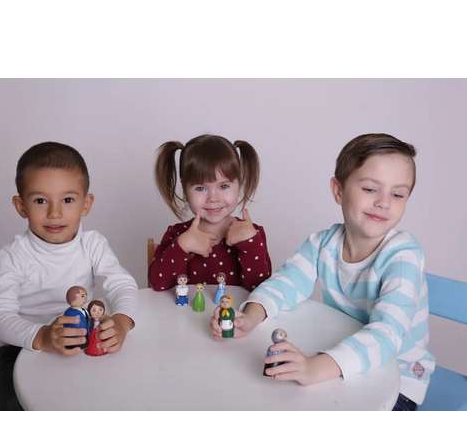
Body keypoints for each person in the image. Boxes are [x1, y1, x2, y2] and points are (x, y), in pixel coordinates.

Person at [211, 133, 435, 411]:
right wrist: (251, 316)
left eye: (398, 194)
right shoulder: (323, 243)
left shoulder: (403, 256)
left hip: (397, 380)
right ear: (338, 191)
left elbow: (387, 334)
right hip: (343, 357)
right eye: (370, 189)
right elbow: (286, 282)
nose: (384, 202)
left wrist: (314, 367)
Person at [0, 141, 137, 410]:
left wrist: (123, 322)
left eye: (67, 200)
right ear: (21, 206)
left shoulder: (93, 244)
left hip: (80, 340)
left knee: (113, 398)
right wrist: (43, 336)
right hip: (21, 348)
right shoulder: (12, 255)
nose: (54, 213)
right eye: (40, 200)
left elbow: (121, 284)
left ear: (85, 204)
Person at [148, 134, 272, 291]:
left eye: (224, 186)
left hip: (234, 309)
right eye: (200, 188)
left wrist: (250, 244)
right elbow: (157, 284)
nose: (213, 198)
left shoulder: (253, 234)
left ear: (239, 185)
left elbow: (263, 293)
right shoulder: (177, 234)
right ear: (185, 190)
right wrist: (182, 246)